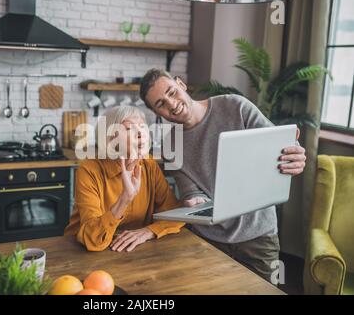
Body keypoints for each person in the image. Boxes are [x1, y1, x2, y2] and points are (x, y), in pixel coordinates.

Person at [139, 68, 307, 281]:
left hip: (258, 236)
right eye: (161, 104)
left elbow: (279, 145)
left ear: (181, 84)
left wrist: (294, 155)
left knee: (270, 289)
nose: (171, 104)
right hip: (210, 240)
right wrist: (194, 200)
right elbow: (191, 191)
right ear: (157, 113)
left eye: (171, 92)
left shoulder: (235, 106)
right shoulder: (171, 144)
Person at [64, 106, 184, 252]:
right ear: (109, 138)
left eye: (142, 127)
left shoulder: (149, 164)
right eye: (129, 129)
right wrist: (124, 199)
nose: (140, 133)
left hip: (136, 249)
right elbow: (93, 239)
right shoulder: (89, 171)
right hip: (82, 252)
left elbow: (174, 213)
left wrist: (149, 231)